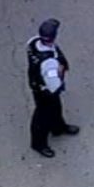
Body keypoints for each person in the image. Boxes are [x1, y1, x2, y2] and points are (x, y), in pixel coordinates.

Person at [26, 18, 79, 158]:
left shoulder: (33, 42)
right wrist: (60, 72)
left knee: (55, 107)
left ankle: (58, 127)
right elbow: (54, 85)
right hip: (45, 90)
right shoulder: (49, 63)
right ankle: (38, 144)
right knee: (42, 116)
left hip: (36, 83)